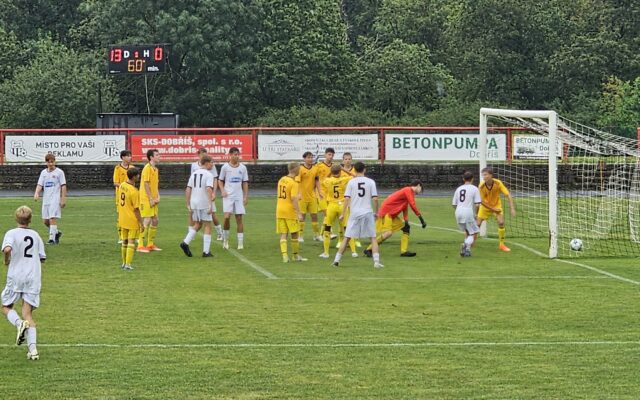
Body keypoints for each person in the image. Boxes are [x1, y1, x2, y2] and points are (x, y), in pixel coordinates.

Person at [2, 206, 46, 360]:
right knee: (28, 313)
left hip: (16, 276)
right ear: (30, 219)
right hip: (32, 277)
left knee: (6, 307)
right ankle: (33, 350)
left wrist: (6, 260)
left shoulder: (11, 233)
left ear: (16, 218)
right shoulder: (35, 235)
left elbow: (7, 249)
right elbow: (42, 257)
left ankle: (18, 323)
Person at [332, 162, 383, 269]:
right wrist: (377, 212)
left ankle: (336, 260)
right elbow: (375, 198)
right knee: (373, 237)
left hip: (354, 213)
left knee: (347, 237)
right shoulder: (370, 182)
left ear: (354, 170)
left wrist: (343, 214)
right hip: (367, 212)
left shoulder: (351, 182)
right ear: (364, 170)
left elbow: (346, 198)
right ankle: (376, 262)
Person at [364, 181, 426, 258]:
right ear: (418, 185)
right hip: (387, 213)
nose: (420, 192)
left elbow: (405, 208)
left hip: (391, 215)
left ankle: (404, 251)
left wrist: (406, 221)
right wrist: (421, 220)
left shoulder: (408, 192)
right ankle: (369, 249)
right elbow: (412, 205)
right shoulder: (408, 190)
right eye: (421, 189)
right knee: (388, 233)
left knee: (406, 228)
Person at [181, 155, 216, 258]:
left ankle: (185, 243)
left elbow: (188, 189)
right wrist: (210, 205)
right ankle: (206, 252)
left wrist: (188, 203)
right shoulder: (209, 175)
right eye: (211, 162)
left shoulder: (194, 174)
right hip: (204, 202)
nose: (212, 164)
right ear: (206, 163)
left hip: (194, 202)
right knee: (208, 225)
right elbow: (209, 189)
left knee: (198, 223)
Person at [319, 164, 356, 259]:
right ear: (340, 172)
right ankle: (353, 251)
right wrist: (344, 169)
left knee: (327, 228)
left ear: (332, 172)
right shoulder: (344, 179)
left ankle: (326, 253)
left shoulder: (328, 180)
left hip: (331, 206)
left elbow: (323, 180)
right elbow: (354, 176)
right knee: (347, 228)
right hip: (342, 205)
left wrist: (330, 172)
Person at [477, 167, 516, 252]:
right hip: (485, 207)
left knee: (501, 222)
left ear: (491, 175)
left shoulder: (498, 183)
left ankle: (502, 245)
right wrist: (493, 209)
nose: (484, 177)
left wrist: (512, 208)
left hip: (497, 206)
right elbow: (482, 202)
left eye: (486, 174)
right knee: (477, 225)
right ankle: (470, 242)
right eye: (483, 175)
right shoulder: (481, 186)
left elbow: (508, 195)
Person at [218, 147, 249, 250]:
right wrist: (222, 190)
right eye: (234, 154)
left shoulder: (243, 168)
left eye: (237, 154)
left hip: (238, 196)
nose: (236, 156)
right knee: (226, 217)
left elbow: (245, 182)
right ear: (230, 155)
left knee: (239, 218)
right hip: (228, 196)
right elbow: (220, 180)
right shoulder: (225, 167)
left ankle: (240, 243)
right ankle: (226, 241)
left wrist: (245, 196)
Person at [277, 162, 307, 263]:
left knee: (283, 234)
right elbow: (293, 199)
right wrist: (298, 213)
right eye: (299, 168)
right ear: (294, 169)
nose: (300, 170)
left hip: (280, 210)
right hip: (289, 211)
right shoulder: (294, 183)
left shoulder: (281, 179)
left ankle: (285, 256)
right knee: (295, 233)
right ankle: (295, 255)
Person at [33, 154, 66, 245]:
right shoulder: (43, 173)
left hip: (55, 199)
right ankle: (56, 233)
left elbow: (63, 186)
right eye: (49, 162)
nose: (50, 164)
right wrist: (37, 193)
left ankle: (51, 239)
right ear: (46, 162)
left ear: (55, 162)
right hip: (46, 199)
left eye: (52, 162)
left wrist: (63, 199)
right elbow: (40, 184)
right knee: (45, 221)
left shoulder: (59, 172)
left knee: (52, 218)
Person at [191, 148, 223, 240]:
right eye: (202, 154)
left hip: (207, 194)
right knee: (194, 216)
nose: (204, 156)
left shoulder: (210, 165)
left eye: (205, 154)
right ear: (199, 155)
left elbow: (215, 179)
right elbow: (191, 182)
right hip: (197, 195)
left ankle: (219, 232)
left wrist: (214, 193)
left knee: (212, 214)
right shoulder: (194, 165)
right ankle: (191, 234)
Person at [118, 168, 144, 270]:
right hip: (131, 219)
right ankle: (128, 265)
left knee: (124, 241)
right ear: (133, 177)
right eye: (138, 175)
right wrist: (141, 223)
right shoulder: (134, 191)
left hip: (122, 218)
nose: (139, 177)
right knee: (131, 242)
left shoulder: (122, 185)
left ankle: (124, 263)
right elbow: (136, 209)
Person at [137, 149, 162, 253]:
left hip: (154, 198)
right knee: (146, 220)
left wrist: (158, 196)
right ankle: (140, 245)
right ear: (151, 157)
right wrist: (151, 199)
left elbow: (155, 185)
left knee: (155, 220)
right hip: (146, 198)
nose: (159, 156)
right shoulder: (147, 168)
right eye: (157, 155)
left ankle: (150, 244)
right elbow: (146, 184)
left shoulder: (155, 169)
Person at [453, 171, 482, 257]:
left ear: (463, 179)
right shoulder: (474, 189)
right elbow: (477, 204)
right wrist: (476, 214)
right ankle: (465, 244)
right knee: (473, 233)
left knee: (468, 231)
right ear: (472, 179)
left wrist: (458, 210)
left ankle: (467, 251)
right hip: (468, 212)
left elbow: (454, 204)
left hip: (458, 211)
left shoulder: (458, 189)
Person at [297, 151, 322, 242]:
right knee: (302, 216)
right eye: (308, 157)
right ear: (304, 158)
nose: (310, 159)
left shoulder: (315, 169)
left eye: (311, 157)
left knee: (314, 215)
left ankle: (316, 235)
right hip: (302, 197)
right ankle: (300, 236)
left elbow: (317, 181)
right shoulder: (300, 169)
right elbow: (297, 182)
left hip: (312, 196)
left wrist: (320, 192)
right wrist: (298, 193)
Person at [113, 150, 132, 243]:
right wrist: (124, 187)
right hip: (121, 197)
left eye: (130, 156)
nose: (130, 158)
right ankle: (121, 237)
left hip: (131, 197)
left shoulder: (132, 168)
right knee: (121, 217)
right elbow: (115, 182)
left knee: (132, 216)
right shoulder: (117, 168)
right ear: (123, 157)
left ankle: (132, 236)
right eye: (128, 156)